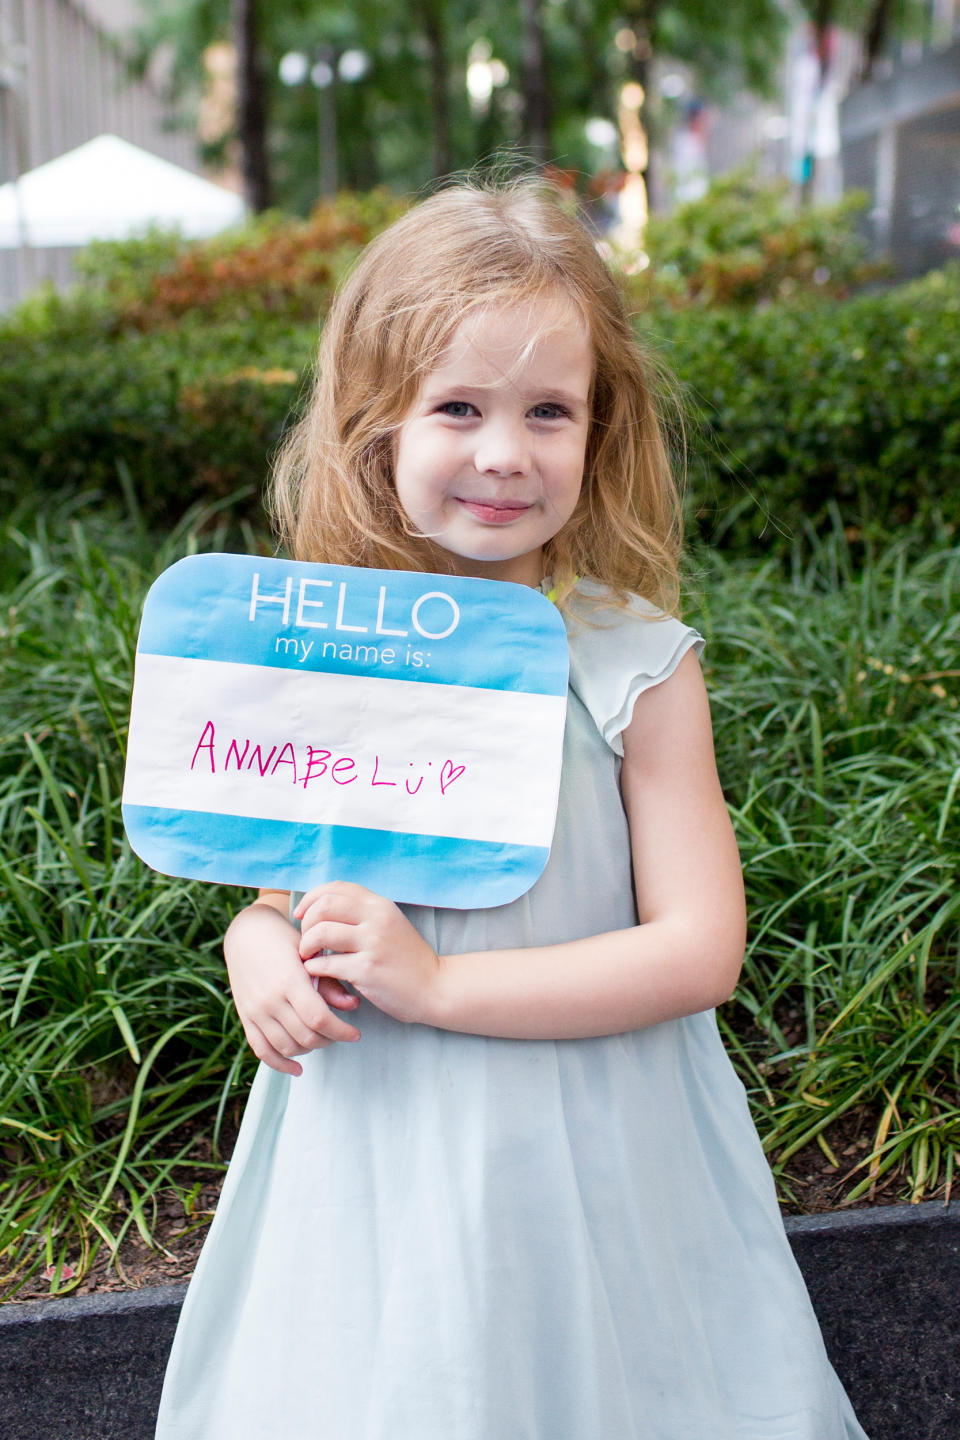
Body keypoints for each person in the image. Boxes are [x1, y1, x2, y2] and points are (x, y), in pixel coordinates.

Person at [155, 180, 868, 1439]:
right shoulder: (339, 650)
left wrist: (438, 989)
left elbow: (701, 948)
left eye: (549, 410)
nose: (503, 452)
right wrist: (254, 947)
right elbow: (282, 892)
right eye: (458, 408)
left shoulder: (637, 665)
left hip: (591, 1142)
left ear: (602, 430)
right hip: (377, 1142)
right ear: (377, 426)